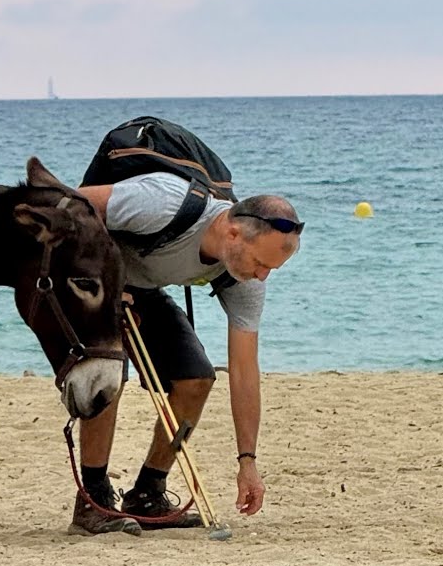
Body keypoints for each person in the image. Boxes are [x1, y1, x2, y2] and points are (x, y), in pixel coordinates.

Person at [67, 170, 303, 535]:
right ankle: (93, 500)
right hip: (94, 279)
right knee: (108, 375)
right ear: (233, 232)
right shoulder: (163, 202)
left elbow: (243, 371)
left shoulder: (244, 278)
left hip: (143, 288)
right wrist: (103, 278)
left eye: (272, 269)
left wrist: (248, 462)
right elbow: (73, 204)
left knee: (196, 379)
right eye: (261, 264)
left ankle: (148, 494)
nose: (262, 277)